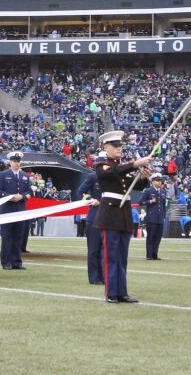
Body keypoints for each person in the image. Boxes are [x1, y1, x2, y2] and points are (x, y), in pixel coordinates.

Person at [95, 130, 153, 303]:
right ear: (106, 147)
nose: (119, 148)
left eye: (120, 145)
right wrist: (135, 163)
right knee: (111, 256)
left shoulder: (121, 167)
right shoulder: (102, 164)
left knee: (122, 257)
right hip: (110, 213)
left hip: (124, 214)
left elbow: (135, 186)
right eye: (115, 145)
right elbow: (111, 173)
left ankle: (122, 292)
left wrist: (143, 178)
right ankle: (111, 292)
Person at [0, 151, 32, 270]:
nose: (17, 163)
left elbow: (30, 191)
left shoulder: (24, 176)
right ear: (10, 162)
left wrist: (23, 197)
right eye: (15, 161)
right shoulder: (3, 175)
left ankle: (16, 262)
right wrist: (9, 196)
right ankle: (6, 262)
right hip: (7, 210)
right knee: (6, 237)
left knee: (18, 237)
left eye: (18, 161)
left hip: (20, 209)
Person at [74, 154, 103, 284]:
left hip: (108, 217)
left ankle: (103, 276)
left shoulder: (112, 178)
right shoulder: (92, 176)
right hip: (94, 216)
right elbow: (79, 192)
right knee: (93, 249)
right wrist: (90, 200)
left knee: (105, 250)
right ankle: (94, 277)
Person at [141, 173, 166, 260]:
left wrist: (164, 216)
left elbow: (163, 205)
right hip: (152, 217)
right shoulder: (148, 191)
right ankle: (149, 255)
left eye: (160, 181)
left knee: (158, 237)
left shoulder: (163, 191)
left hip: (160, 218)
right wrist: (151, 201)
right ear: (152, 181)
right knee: (151, 236)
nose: (159, 182)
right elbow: (141, 202)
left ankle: (155, 254)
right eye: (157, 180)